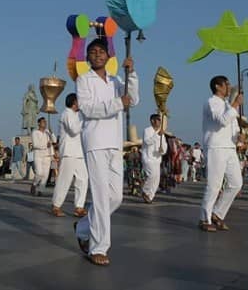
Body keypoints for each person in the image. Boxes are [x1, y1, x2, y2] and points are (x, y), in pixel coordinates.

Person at [74, 38, 138, 266]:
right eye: (93, 51)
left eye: (101, 51)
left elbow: (134, 99)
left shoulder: (116, 80)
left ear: (109, 56)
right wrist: (117, 103)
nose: (97, 54)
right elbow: (89, 109)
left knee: (116, 197)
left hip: (114, 141)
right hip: (95, 141)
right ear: (88, 57)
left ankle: (83, 227)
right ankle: (98, 247)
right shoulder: (84, 80)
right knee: (100, 197)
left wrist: (132, 74)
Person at [199, 76, 242, 232]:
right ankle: (204, 218)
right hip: (215, 147)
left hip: (229, 147)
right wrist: (236, 104)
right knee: (214, 185)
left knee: (236, 183)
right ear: (218, 86)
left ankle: (218, 213)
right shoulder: (212, 102)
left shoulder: (226, 104)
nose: (229, 87)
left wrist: (239, 136)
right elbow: (222, 121)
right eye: (227, 84)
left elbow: (233, 126)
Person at [51, 93, 88, 218]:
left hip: (79, 153)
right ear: (74, 102)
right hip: (68, 152)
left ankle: (79, 207)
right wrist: (84, 120)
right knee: (64, 180)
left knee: (83, 179)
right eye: (79, 101)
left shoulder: (78, 115)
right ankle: (56, 205)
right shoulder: (66, 113)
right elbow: (73, 130)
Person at [141, 114, 168, 204]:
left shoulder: (162, 134)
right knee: (151, 176)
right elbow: (147, 141)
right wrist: (157, 135)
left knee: (157, 180)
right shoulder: (147, 130)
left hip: (157, 159)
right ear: (152, 121)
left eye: (160, 120)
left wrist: (162, 150)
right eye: (157, 120)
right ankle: (145, 190)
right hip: (148, 158)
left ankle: (150, 196)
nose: (159, 122)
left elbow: (164, 146)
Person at [30, 117, 56, 196]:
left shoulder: (47, 132)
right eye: (43, 122)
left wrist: (52, 133)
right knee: (39, 173)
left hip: (47, 155)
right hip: (38, 155)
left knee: (45, 175)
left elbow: (54, 141)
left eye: (45, 122)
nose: (45, 123)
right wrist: (46, 145)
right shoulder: (35, 132)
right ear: (39, 123)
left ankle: (41, 190)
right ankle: (34, 184)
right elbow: (35, 144)